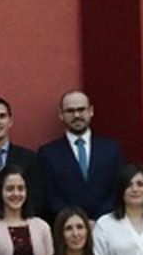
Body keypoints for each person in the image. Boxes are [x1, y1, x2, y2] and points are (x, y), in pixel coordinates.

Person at [37, 89, 126, 220]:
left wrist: (100, 221)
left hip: (107, 227)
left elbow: (119, 190)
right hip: (66, 229)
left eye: (81, 109)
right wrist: (78, 221)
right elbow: (50, 197)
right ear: (61, 115)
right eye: (70, 111)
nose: (77, 115)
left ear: (91, 111)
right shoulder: (48, 154)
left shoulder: (111, 150)